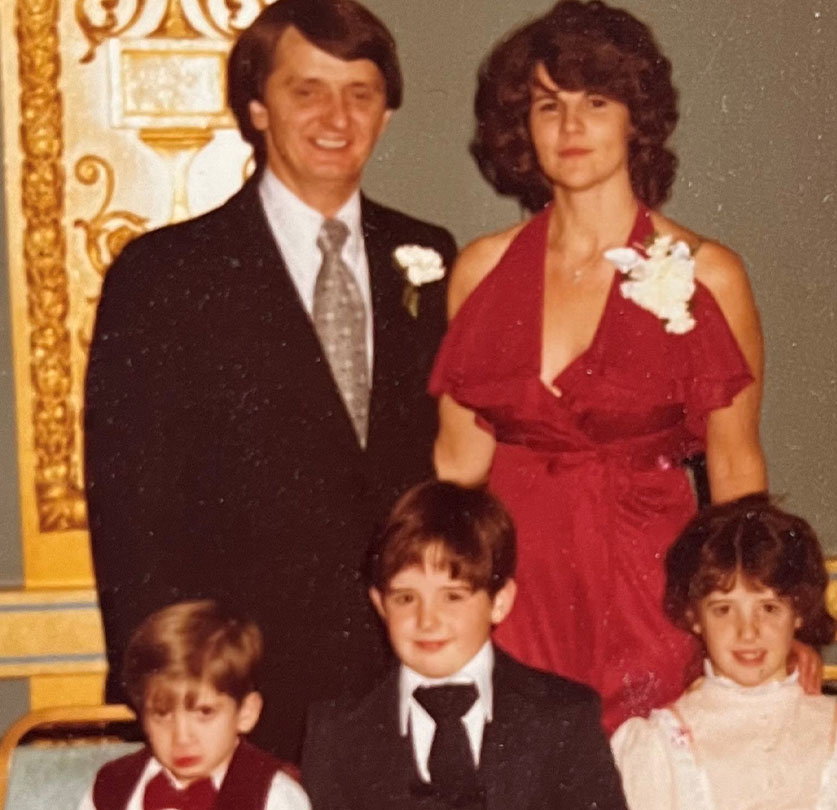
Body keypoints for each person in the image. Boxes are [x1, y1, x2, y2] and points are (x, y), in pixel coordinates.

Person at [84, 0, 456, 761]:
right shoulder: (165, 275)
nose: (337, 116)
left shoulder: (430, 254)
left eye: (362, 93)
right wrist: (179, 692)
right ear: (256, 107)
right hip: (241, 687)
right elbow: (132, 512)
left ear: (385, 114)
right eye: (306, 90)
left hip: (408, 677)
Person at [430, 0, 770, 731]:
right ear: (522, 125)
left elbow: (737, 477)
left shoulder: (710, 276)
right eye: (548, 105)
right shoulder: (481, 272)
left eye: (596, 102)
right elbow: (456, 474)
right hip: (518, 591)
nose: (571, 126)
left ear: (635, 119)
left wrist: (765, 627)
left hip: (654, 586)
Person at [301, 480, 628, 810]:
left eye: (452, 597)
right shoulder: (337, 731)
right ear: (380, 604)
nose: (427, 620)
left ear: (499, 602)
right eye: (405, 598)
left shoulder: (564, 718)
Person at [610, 495, 837, 810]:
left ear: (799, 611)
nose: (747, 631)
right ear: (694, 617)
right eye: (723, 610)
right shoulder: (659, 748)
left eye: (768, 608)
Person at [78, 600, 310, 810]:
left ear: (246, 713)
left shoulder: (274, 797)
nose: (182, 738)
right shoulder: (112, 787)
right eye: (161, 714)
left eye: (204, 712)